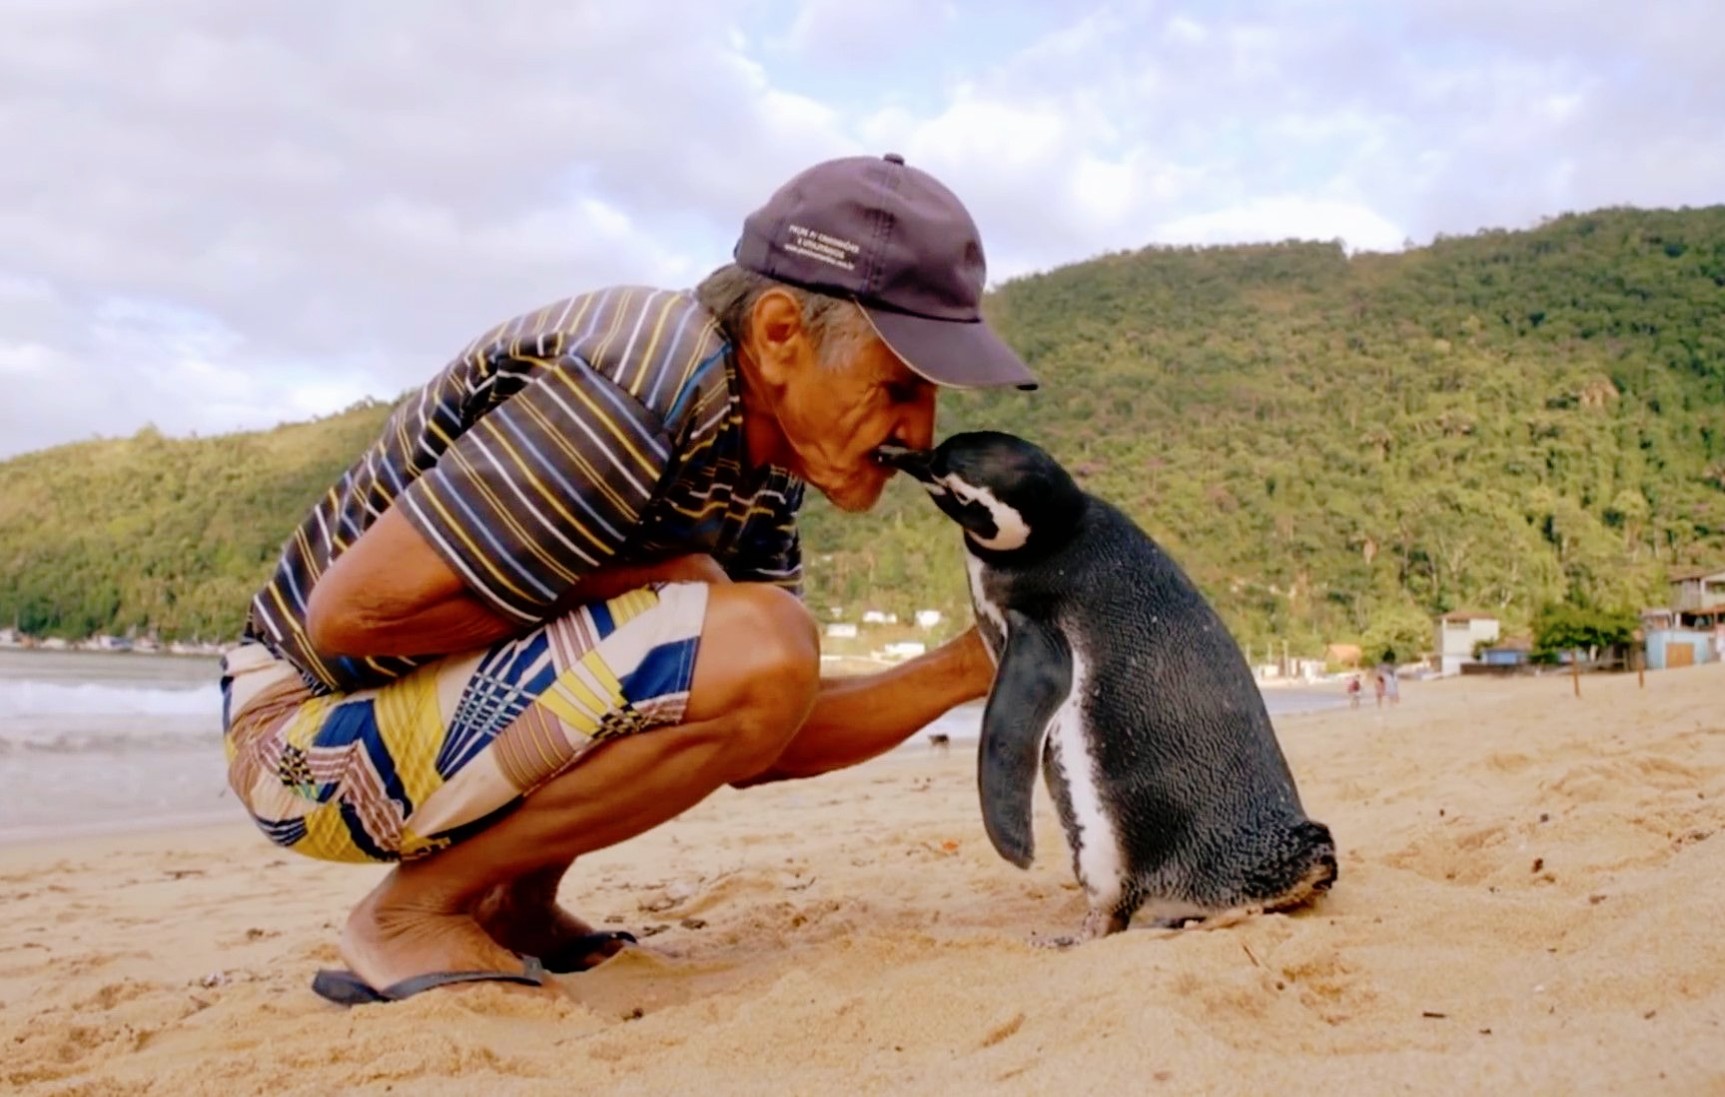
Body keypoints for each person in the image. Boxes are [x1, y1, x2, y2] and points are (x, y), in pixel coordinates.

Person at [219, 153, 1039, 1004]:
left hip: (402, 725)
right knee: (744, 627)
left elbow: (762, 723)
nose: (920, 429)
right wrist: (655, 581)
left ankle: (516, 903)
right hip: (301, 742)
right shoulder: (635, 376)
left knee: (751, 639)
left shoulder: (761, 463)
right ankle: (411, 912)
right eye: (898, 385)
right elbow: (349, 619)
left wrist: (971, 665)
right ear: (780, 333)